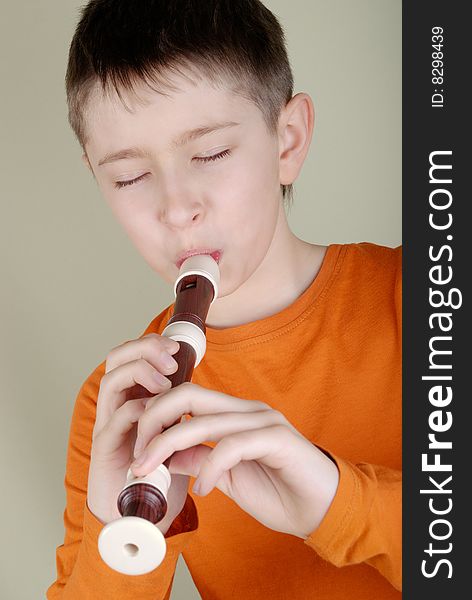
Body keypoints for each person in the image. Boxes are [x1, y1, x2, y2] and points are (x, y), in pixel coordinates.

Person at [47, 1, 401, 598]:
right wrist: (122, 534)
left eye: (209, 154)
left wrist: (339, 503)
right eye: (129, 177)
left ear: (287, 140)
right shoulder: (114, 403)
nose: (176, 207)